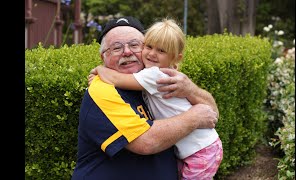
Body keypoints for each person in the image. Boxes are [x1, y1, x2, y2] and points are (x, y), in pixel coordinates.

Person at [72, 16, 219, 180]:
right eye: (116, 48)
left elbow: (212, 113)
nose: (127, 52)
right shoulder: (102, 91)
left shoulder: (157, 80)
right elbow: (146, 142)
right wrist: (195, 117)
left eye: (135, 45)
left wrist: (191, 90)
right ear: (103, 57)